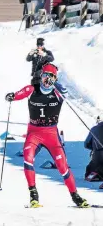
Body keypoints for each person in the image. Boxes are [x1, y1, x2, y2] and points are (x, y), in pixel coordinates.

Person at [5, 63, 89, 208]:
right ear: (41, 76)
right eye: (45, 76)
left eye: (51, 78)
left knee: (62, 166)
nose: (47, 80)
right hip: (34, 133)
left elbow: (65, 93)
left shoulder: (58, 92)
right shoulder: (33, 89)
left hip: (51, 134)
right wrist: (12, 96)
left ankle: (75, 196)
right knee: (28, 157)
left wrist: (57, 83)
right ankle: (33, 195)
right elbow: (21, 93)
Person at [84, 117, 103, 181]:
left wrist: (95, 148)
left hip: (96, 157)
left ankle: (94, 175)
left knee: (93, 166)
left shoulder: (94, 129)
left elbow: (86, 144)